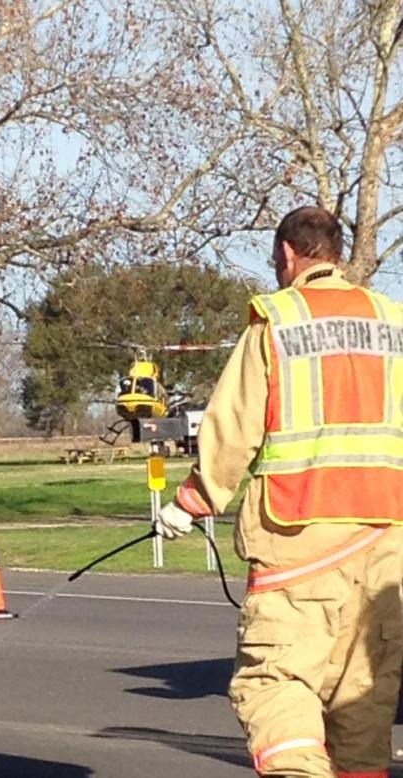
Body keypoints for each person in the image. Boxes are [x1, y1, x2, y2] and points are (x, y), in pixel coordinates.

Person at [155, 205, 403, 778]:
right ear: (336, 253)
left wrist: (192, 500)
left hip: (302, 537)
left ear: (288, 254)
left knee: (277, 684)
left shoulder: (278, 321)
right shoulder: (392, 320)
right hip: (387, 543)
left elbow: (233, 424)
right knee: (362, 701)